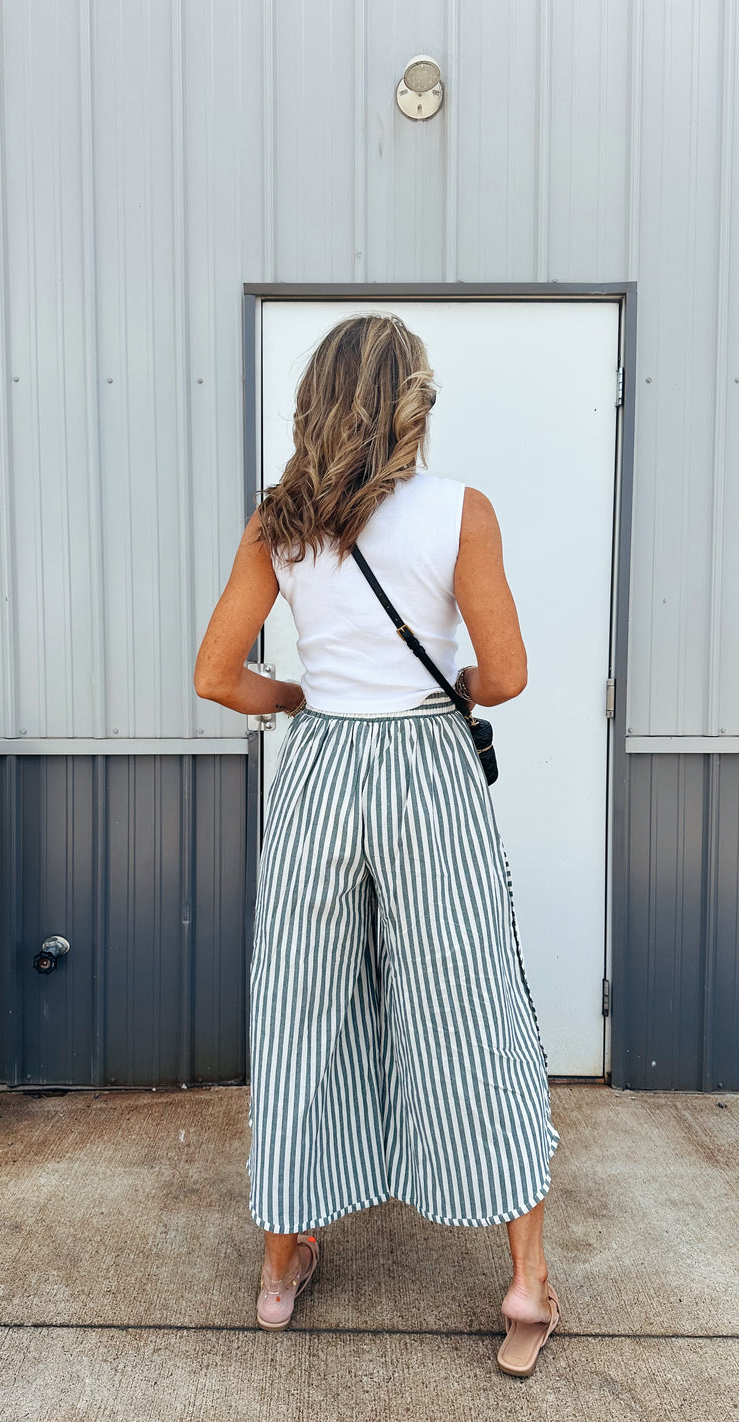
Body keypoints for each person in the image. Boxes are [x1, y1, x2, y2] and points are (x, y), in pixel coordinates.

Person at [193, 312, 561, 1377]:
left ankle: (279, 1267)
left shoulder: (279, 524)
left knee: (302, 1002)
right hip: (426, 776)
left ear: (316, 400)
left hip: (317, 773)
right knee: (466, 999)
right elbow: (505, 676)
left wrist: (307, 692)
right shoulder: (461, 513)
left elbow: (217, 676)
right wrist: (438, 685)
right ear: (411, 404)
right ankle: (526, 1286)